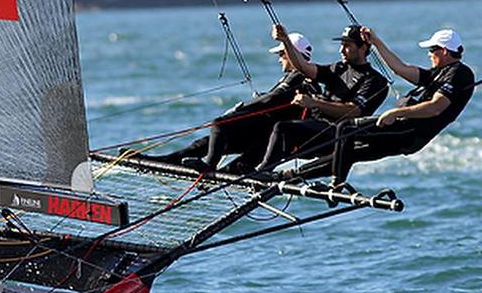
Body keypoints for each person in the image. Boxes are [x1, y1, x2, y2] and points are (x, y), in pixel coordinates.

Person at [296, 28, 475, 184]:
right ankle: (290, 175)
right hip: (404, 131)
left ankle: (337, 182)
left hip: (408, 131)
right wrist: (376, 41)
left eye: (431, 49)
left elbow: (436, 107)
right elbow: (400, 68)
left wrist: (395, 113)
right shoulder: (437, 73)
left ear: (443, 51)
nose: (428, 54)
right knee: (352, 152)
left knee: (346, 127)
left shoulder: (460, 73)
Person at [141, 33, 321, 175]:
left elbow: (271, 99)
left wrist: (242, 107)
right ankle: (160, 161)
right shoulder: (299, 77)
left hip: (266, 139)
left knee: (219, 125)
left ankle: (209, 168)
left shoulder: (300, 76)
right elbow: (275, 98)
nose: (279, 58)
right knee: (205, 143)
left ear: (292, 53)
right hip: (261, 138)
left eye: (282, 54)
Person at [254, 23, 389, 175]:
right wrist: (285, 40)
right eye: (341, 45)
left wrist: (314, 103)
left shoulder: (375, 80)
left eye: (347, 45)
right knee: (268, 124)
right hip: (316, 127)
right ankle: (244, 169)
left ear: (363, 48)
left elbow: (354, 111)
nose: (341, 50)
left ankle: (262, 172)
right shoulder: (338, 68)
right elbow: (304, 67)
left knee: (283, 128)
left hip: (337, 135)